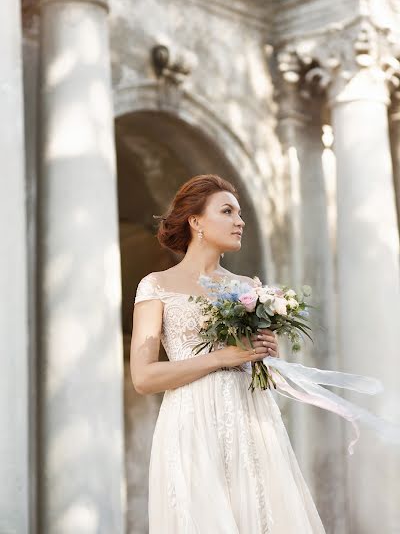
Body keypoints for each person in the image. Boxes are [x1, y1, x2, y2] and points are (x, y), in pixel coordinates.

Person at [130, 174, 327, 533]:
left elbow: (258, 371)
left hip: (252, 423)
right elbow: (143, 378)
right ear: (196, 221)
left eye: (240, 214)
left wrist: (266, 354)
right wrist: (222, 357)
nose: (241, 221)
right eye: (227, 211)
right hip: (190, 426)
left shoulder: (248, 288)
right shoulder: (156, 285)